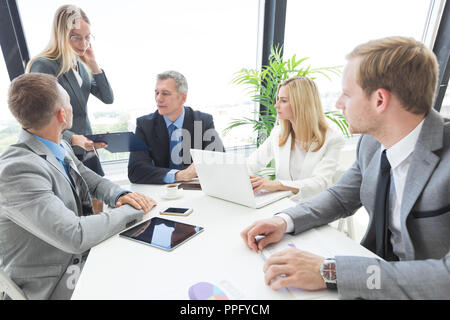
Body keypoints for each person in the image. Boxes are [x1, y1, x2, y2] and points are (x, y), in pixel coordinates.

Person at [241, 36, 450, 299]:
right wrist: (284, 220)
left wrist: (331, 271)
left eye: (347, 94)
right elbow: (340, 197)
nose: (339, 104)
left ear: (380, 100)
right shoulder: (372, 144)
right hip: (374, 276)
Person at [0, 73, 157, 300]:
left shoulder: (58, 145)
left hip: (81, 263)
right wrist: (135, 209)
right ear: (62, 115)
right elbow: (75, 235)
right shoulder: (17, 170)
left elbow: (91, 180)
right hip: (53, 287)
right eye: (70, 103)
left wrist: (122, 195)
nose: (73, 107)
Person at [27, 5, 113, 213]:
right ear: (61, 35)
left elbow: (107, 97)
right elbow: (41, 116)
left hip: (87, 147)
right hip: (63, 146)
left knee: (98, 202)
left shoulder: (81, 66)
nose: (83, 44)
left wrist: (93, 63)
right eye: (76, 38)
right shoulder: (45, 65)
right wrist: (73, 138)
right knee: (74, 209)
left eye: (87, 37)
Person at [246, 77, 345, 201]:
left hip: (315, 206)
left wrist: (277, 184)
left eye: (283, 101)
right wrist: (241, 178)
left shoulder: (333, 139)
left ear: (301, 103)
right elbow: (252, 163)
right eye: (278, 100)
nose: (276, 105)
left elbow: (320, 183)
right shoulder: (278, 133)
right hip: (283, 204)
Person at [128, 70, 224, 184]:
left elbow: (219, 159)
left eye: (165, 93)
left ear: (183, 98)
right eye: (156, 93)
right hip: (160, 192)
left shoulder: (202, 121)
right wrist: (178, 175)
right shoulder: (144, 125)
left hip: (194, 190)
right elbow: (135, 171)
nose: (158, 99)